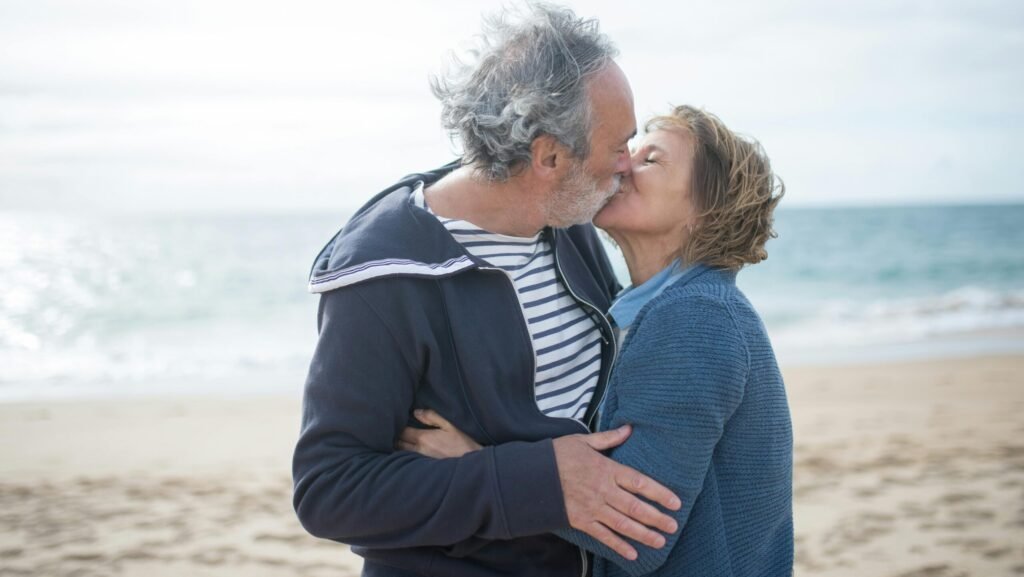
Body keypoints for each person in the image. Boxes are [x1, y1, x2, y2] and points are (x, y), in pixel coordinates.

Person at [291, 5, 682, 577]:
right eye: (617, 145)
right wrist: (533, 482)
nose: (627, 165)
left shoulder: (565, 218)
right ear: (549, 157)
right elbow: (331, 492)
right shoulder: (381, 276)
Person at [401, 105, 794, 576]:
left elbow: (637, 530)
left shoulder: (696, 318)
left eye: (652, 160)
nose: (623, 163)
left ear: (705, 210)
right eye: (632, 150)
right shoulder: (653, 308)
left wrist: (475, 467)